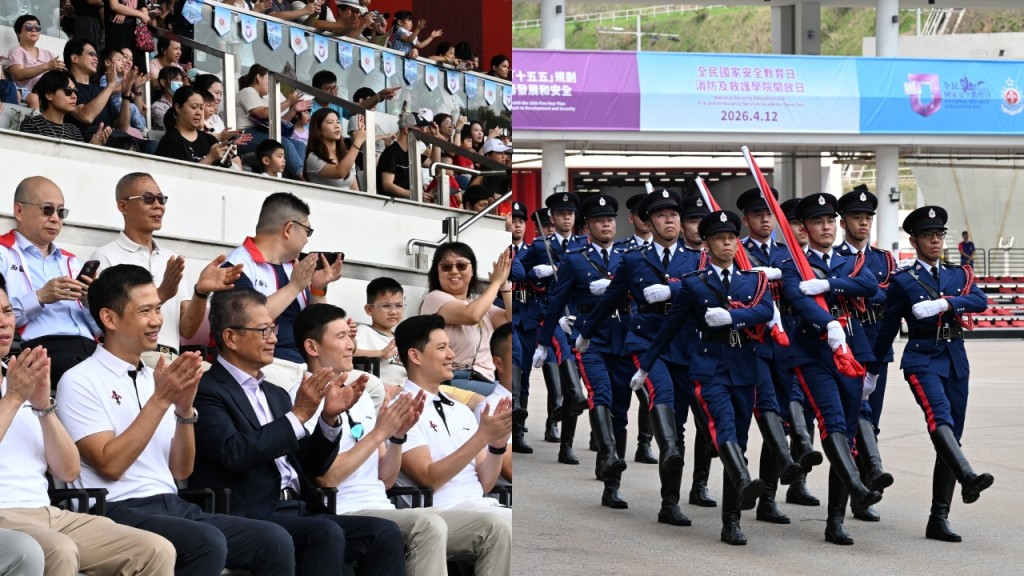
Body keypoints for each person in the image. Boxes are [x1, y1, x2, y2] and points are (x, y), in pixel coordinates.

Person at [56, 264, 300, 575]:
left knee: (273, 539)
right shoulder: (79, 380)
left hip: (172, 504)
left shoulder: (152, 378)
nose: (157, 320)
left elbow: (181, 469)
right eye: (145, 311)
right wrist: (161, 400)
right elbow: (110, 465)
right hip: (114, 509)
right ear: (109, 318)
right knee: (206, 541)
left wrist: (185, 411)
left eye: (158, 308)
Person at [191, 288, 406, 575]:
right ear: (230, 337)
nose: (274, 339)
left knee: (384, 532)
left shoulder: (275, 393)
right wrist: (299, 415)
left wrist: (329, 420)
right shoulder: (207, 389)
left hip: (300, 507)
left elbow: (310, 466)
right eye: (263, 330)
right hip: (250, 513)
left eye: (274, 329)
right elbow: (233, 453)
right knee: (325, 533)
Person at [0, 276, 177, 576]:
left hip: (48, 514)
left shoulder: (18, 377)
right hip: (6, 518)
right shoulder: (18, 387)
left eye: (6, 312)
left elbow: (68, 471)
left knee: (155, 550)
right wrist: (15, 397)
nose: (3, 323)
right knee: (60, 549)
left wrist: (44, 408)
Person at [642, 210, 776, 545]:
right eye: (719, 239)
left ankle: (731, 521)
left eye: (731, 238)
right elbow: (670, 326)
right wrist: (645, 366)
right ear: (708, 243)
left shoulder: (754, 280)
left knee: (740, 439)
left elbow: (765, 311)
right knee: (724, 426)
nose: (727, 244)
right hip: (709, 367)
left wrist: (731, 316)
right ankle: (744, 478)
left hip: (744, 367)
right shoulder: (694, 283)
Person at [868, 206, 993, 542]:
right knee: (939, 419)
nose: (935, 240)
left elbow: (980, 301)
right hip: (922, 359)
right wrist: (873, 371)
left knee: (950, 438)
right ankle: (967, 475)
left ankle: (938, 518)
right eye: (928, 235)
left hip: (955, 359)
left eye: (939, 234)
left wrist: (947, 304)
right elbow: (887, 329)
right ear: (915, 240)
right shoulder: (903, 281)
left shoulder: (958, 275)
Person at [780, 192, 883, 545]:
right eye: (817, 222)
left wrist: (828, 284)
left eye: (829, 221)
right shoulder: (794, 264)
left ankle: (835, 520)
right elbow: (797, 300)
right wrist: (828, 322)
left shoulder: (847, 259)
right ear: (805, 228)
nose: (825, 227)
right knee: (832, 420)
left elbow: (869, 284)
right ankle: (856, 483)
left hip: (851, 352)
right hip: (814, 353)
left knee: (850, 427)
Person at [533, 195, 632, 506]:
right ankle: (612, 463)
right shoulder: (575, 259)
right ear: (587, 226)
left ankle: (609, 470)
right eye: (599, 220)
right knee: (599, 394)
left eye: (610, 219)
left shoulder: (629, 256)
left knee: (621, 410)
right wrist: (543, 340)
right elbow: (556, 302)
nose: (606, 224)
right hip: (589, 337)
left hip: (624, 336)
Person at [89, 172, 243, 368]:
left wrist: (201, 292)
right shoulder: (105, 256)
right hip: (135, 359)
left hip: (173, 357)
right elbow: (113, 322)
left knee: (226, 383)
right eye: (148, 199)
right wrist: (163, 293)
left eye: (161, 199)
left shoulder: (169, 259)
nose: (158, 205)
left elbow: (187, 330)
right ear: (123, 206)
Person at [396, 314, 512, 522]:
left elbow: (484, 484)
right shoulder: (400, 409)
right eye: (441, 348)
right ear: (415, 356)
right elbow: (429, 478)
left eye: (449, 347)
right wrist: (481, 437)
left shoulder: (461, 410)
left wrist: (496, 446)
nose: (451, 354)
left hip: (481, 509)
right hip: (439, 516)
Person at [223, 192, 343, 389]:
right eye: (307, 231)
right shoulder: (237, 265)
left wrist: (317, 289)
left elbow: (319, 326)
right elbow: (246, 321)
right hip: (264, 364)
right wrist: (295, 286)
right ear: (288, 229)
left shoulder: (293, 267)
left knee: (371, 388)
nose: (307, 240)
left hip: (305, 364)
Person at [0, 177, 100, 389]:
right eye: (47, 210)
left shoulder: (71, 261)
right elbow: (3, 319)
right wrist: (40, 297)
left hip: (92, 350)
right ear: (19, 211)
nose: (55, 218)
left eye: (61, 212)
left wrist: (92, 302)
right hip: (39, 351)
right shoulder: (3, 253)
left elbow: (99, 331)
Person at [835, 187, 898, 523]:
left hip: (877, 345)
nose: (863, 222)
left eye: (867, 217)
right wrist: (869, 290)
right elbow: (876, 291)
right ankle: (861, 485)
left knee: (871, 419)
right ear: (843, 221)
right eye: (857, 217)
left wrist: (859, 290)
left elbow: (891, 294)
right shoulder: (834, 258)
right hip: (847, 341)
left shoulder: (883, 259)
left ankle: (862, 495)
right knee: (850, 417)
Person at [419, 242, 511, 397]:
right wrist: (495, 283)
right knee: (506, 398)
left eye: (461, 266)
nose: (454, 271)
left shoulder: (479, 304)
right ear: (437, 272)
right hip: (452, 380)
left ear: (472, 270)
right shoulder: (434, 298)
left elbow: (510, 320)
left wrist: (503, 285)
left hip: (485, 381)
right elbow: (471, 315)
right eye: (446, 267)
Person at [234, 65, 307, 179]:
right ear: (258, 77)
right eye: (269, 81)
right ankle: (302, 177)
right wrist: (288, 102)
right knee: (281, 142)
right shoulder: (247, 91)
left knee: (299, 144)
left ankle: (298, 173)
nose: (270, 86)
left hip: (260, 133)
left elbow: (278, 124)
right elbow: (263, 113)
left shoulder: (262, 98)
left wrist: (293, 109)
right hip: (245, 135)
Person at [157, 87, 248, 169]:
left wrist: (226, 161)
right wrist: (210, 158)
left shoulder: (209, 139)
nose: (199, 113)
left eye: (201, 108)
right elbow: (181, 176)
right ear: (178, 108)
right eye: (194, 107)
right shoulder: (170, 141)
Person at [64, 38, 135, 142]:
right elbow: (86, 117)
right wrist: (111, 85)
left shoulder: (101, 90)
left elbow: (122, 127)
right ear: (75, 58)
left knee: (150, 145)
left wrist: (126, 95)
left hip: (112, 141)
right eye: (91, 54)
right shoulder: (65, 87)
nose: (96, 58)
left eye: (96, 55)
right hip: (85, 143)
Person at [19, 70, 110, 144]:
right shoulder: (32, 123)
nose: (74, 96)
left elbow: (78, 162)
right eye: (68, 91)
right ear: (49, 94)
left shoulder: (74, 130)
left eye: (75, 91)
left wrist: (92, 145)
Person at [354, 277, 407, 387]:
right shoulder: (363, 332)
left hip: (405, 391)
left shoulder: (403, 340)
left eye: (399, 305)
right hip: (382, 392)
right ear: (369, 309)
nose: (393, 311)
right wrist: (380, 354)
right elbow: (347, 352)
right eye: (386, 306)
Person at [6, 15, 63, 109]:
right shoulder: (16, 51)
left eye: (37, 27)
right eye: (28, 27)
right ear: (18, 33)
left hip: (50, 95)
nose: (33, 30)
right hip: (29, 96)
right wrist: (47, 66)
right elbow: (18, 74)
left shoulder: (48, 54)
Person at [304, 108, 366, 190]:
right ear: (318, 130)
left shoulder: (346, 154)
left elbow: (355, 190)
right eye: (330, 122)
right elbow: (339, 173)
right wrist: (357, 141)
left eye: (338, 122)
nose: (337, 126)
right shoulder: (312, 158)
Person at [105, 0, 151, 66]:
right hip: (117, 35)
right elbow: (114, 6)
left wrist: (125, 11)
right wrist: (135, 12)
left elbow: (145, 14)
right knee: (117, 65)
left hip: (135, 38)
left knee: (136, 69)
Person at [151, 66, 185, 131]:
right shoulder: (157, 107)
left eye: (181, 80)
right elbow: (169, 126)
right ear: (163, 82)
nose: (180, 84)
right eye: (176, 79)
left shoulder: (185, 102)